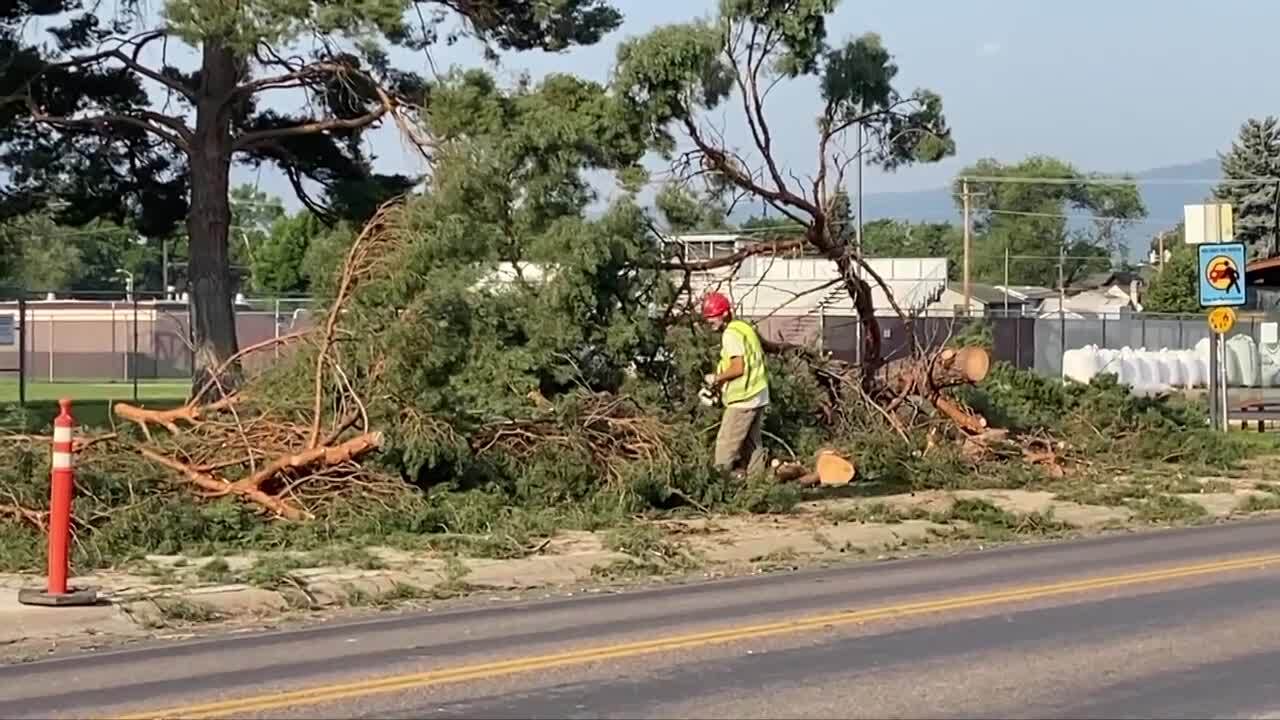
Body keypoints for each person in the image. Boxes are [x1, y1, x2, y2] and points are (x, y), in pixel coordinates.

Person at [701, 291, 770, 478]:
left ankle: (718, 485)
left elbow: (738, 367)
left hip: (744, 398)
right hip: (758, 393)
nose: (709, 321)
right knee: (752, 445)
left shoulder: (730, 334)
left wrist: (716, 378)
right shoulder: (743, 328)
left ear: (724, 313)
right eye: (707, 318)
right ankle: (759, 486)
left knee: (726, 444)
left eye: (712, 317)